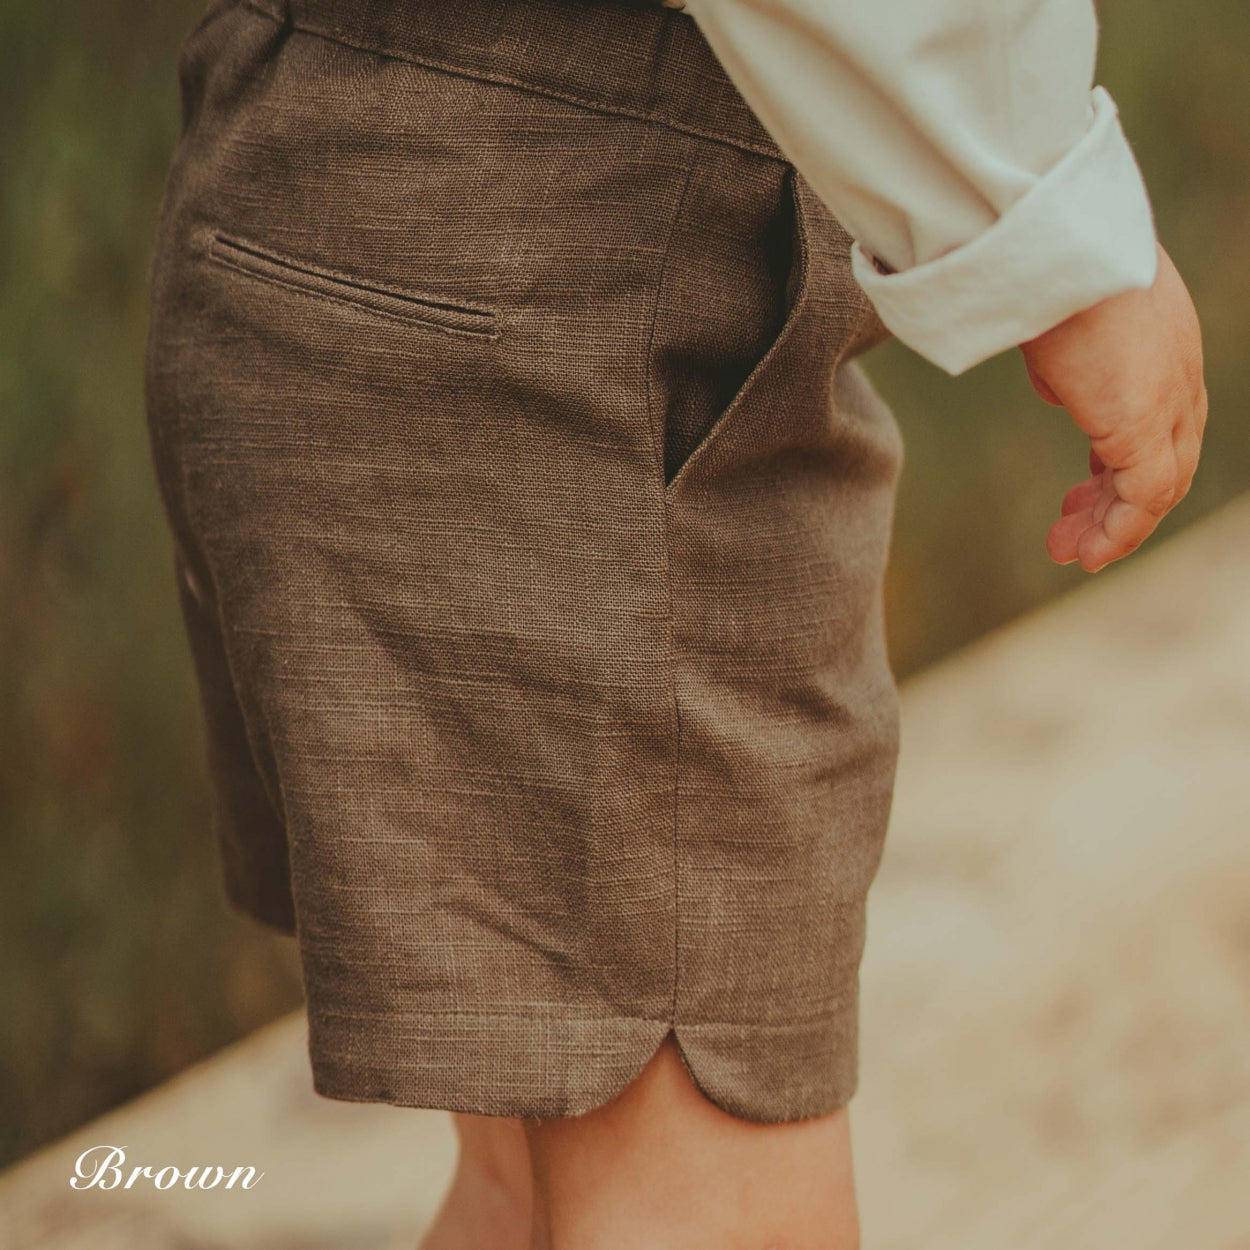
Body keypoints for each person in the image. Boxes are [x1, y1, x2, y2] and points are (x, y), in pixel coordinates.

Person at [142, 0, 1206, 1246]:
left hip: (308, 187)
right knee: (706, 1189)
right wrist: (1046, 217)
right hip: (557, 306)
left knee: (531, 1173)